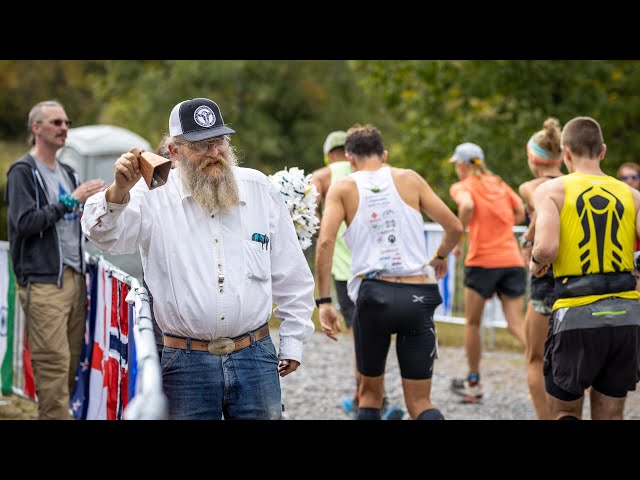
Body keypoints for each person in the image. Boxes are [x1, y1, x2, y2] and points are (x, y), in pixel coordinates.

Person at [81, 97, 315, 420]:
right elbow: (102, 234)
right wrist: (118, 191)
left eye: (218, 141)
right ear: (173, 151)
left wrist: (293, 341)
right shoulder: (151, 196)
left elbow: (292, 274)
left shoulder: (259, 189)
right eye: (200, 145)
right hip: (185, 362)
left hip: (256, 356)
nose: (214, 153)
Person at [315, 124, 463, 420]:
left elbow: (326, 242)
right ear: (384, 155)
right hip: (418, 292)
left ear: (350, 159)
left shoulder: (343, 188)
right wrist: (440, 256)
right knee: (421, 403)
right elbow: (455, 227)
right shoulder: (409, 178)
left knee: (370, 396)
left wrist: (324, 302)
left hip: (374, 294)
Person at [530, 116, 640, 420]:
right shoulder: (632, 195)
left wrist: (535, 262)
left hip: (576, 312)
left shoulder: (552, 191)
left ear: (565, 153)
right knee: (611, 414)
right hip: (625, 315)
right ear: (602, 151)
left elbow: (546, 249)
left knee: (565, 410)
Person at [5, 100, 105, 419]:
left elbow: (76, 224)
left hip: (76, 280)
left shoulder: (68, 171)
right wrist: (70, 200)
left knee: (70, 368)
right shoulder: (23, 171)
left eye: (67, 122)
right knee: (53, 370)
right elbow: (25, 223)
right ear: (36, 128)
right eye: (56, 122)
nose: (64, 128)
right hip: (44, 283)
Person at [448, 142, 526, 403]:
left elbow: (467, 206)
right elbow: (521, 212)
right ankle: (551, 365)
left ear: (461, 165)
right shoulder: (499, 183)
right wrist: (501, 225)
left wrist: (459, 237)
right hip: (511, 259)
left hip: (482, 261)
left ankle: (473, 382)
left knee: (472, 323)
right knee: (517, 324)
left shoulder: (462, 187)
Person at [517, 118, 564, 419]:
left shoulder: (530, 187)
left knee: (535, 358)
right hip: (578, 276)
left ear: (533, 159)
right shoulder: (574, 185)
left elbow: (538, 217)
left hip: (545, 277)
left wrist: (528, 239)